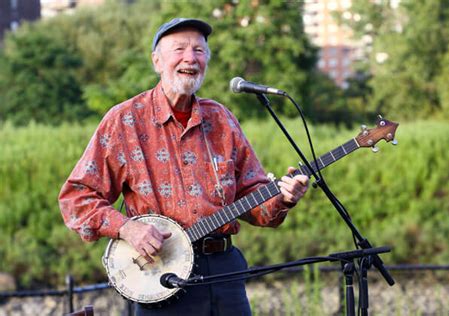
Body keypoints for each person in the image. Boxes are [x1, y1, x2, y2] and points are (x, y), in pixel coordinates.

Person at [58, 17, 309, 315]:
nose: (190, 58)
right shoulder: (124, 121)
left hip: (224, 272)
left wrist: (283, 197)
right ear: (156, 61)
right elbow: (76, 198)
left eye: (199, 51)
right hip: (160, 274)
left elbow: (253, 198)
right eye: (179, 49)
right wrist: (127, 228)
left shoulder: (222, 119)